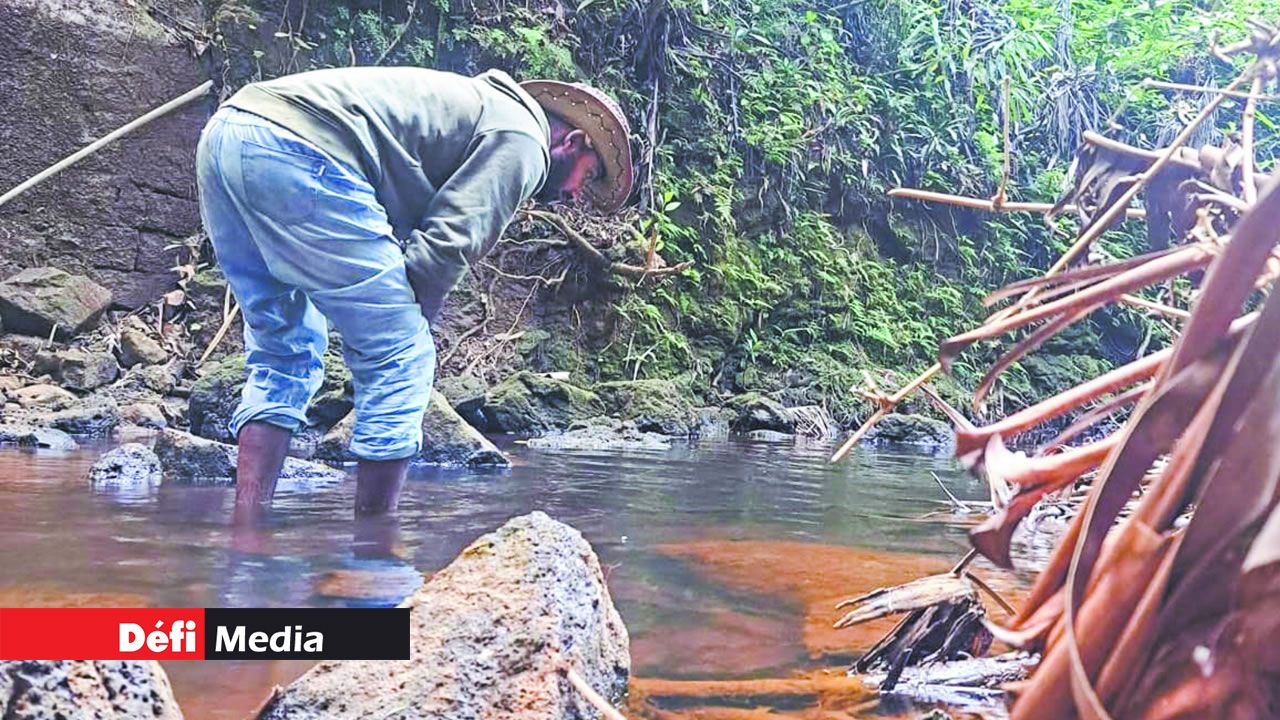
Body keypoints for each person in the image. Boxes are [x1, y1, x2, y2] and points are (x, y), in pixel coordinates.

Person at [195, 66, 633, 519]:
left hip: (228, 134)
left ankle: (248, 532)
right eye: (588, 176)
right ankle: (374, 547)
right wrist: (401, 339)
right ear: (573, 142)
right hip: (298, 149)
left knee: (283, 350)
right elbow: (446, 247)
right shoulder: (523, 136)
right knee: (402, 357)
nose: (577, 195)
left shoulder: (482, 107)